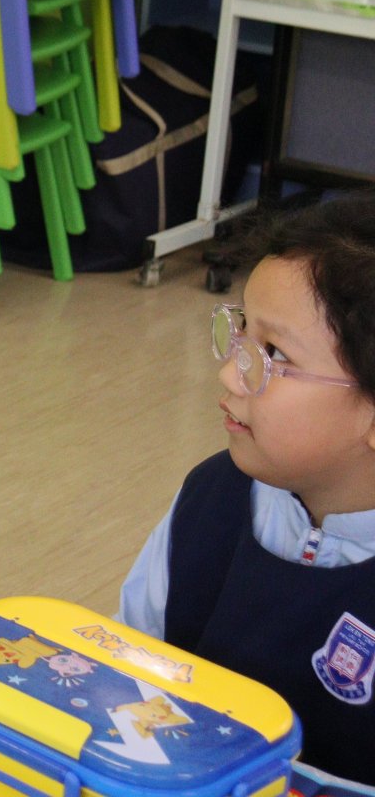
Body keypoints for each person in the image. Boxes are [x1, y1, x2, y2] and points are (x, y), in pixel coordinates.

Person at [117, 193, 375, 784]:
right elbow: (125, 664)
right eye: (239, 334)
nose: (230, 372)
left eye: (274, 354)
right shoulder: (211, 499)